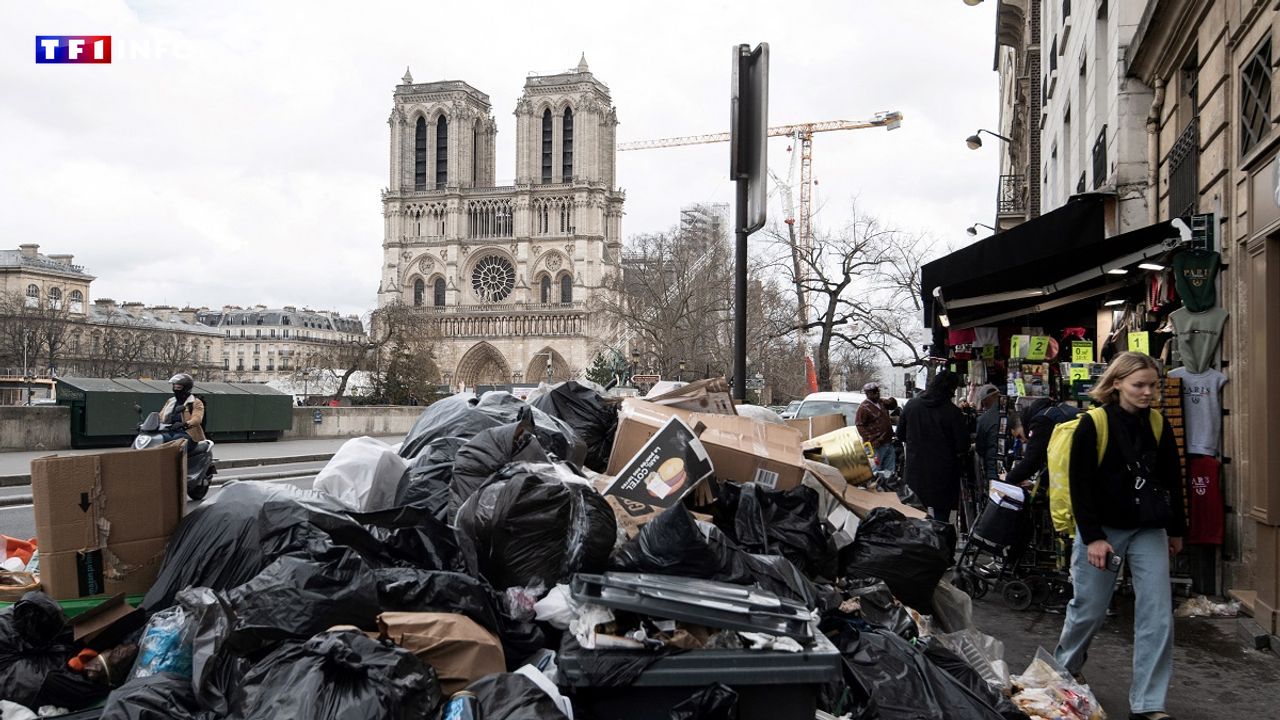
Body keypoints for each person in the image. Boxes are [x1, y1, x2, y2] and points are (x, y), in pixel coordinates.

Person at [1054, 352, 1183, 720]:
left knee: (1158, 614)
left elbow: (1172, 481)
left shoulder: (1158, 424)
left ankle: (1147, 704)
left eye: (1152, 385)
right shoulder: (1093, 424)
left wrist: (1176, 530)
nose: (1147, 393)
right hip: (1103, 530)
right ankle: (1065, 670)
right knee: (1089, 610)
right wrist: (1092, 536)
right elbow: (1080, 485)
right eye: (1138, 385)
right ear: (1116, 384)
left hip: (1148, 529)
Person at [896, 370, 969, 521]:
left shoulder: (911, 406)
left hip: (916, 471)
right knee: (941, 520)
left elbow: (900, 435)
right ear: (950, 390)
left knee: (914, 516)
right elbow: (962, 445)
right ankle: (939, 542)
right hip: (943, 475)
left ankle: (917, 543)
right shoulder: (953, 413)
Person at [854, 382, 896, 475]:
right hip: (875, 446)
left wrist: (891, 400)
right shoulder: (864, 408)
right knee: (876, 471)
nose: (877, 394)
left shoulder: (881, 403)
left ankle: (888, 487)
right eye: (874, 392)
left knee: (889, 471)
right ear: (868, 394)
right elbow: (859, 425)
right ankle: (877, 488)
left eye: (877, 392)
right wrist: (871, 439)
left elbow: (893, 406)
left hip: (888, 442)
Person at [158, 373, 205, 453]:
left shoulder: (195, 402)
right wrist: (147, 425)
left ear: (186, 388)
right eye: (174, 387)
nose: (176, 389)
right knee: (157, 439)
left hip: (188, 434)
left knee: (176, 440)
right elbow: (161, 416)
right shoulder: (171, 401)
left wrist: (184, 424)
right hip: (170, 432)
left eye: (179, 387)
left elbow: (197, 418)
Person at [972, 384, 1002, 484]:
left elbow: (980, 448)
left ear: (986, 400)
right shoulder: (1012, 413)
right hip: (1013, 467)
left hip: (993, 468)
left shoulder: (983, 419)